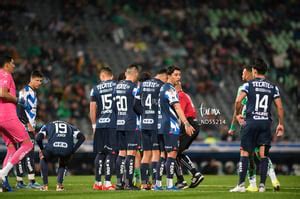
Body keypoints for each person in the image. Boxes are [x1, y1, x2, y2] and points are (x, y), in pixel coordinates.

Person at [230, 58, 284, 192]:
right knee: (263, 154)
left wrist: (237, 114)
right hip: (266, 123)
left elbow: (238, 101)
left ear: (254, 71)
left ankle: (241, 185)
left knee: (244, 152)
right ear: (265, 71)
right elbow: (280, 108)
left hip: (251, 122)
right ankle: (262, 186)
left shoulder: (248, 85)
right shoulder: (273, 87)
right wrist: (281, 124)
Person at [155, 65, 195, 191]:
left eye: (179, 75)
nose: (178, 77)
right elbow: (177, 107)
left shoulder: (161, 89)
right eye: (176, 75)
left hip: (160, 125)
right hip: (170, 126)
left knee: (162, 156)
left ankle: (158, 184)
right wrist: (186, 124)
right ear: (169, 76)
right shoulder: (170, 90)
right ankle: (170, 184)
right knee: (172, 156)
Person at [0, 55, 33, 192]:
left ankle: (3, 184)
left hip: (0, 117)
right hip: (7, 115)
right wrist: (18, 100)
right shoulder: (6, 74)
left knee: (12, 148)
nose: (14, 66)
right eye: (13, 63)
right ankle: (2, 173)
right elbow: (2, 93)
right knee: (28, 144)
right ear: (6, 64)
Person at [36, 120, 85, 191]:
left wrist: (42, 149)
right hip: (66, 149)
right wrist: (73, 151)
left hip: (52, 148)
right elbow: (82, 137)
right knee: (63, 163)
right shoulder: (70, 126)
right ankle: (59, 185)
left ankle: (45, 185)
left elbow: (38, 138)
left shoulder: (48, 125)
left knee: (43, 157)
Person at [139, 69, 167, 190]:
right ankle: (156, 183)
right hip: (155, 124)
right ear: (164, 76)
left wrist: (145, 115)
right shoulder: (161, 86)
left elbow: (135, 104)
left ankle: (144, 183)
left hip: (144, 124)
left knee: (146, 154)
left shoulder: (142, 84)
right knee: (156, 153)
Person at [90, 67, 117, 191]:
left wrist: (94, 125)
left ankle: (97, 182)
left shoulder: (95, 89)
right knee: (111, 154)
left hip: (100, 125)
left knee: (100, 153)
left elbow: (92, 108)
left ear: (102, 77)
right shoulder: (116, 85)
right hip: (112, 124)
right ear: (111, 76)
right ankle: (107, 183)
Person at [15, 70, 44, 189]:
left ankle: (20, 182)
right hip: (24, 127)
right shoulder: (24, 92)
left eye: (41, 81)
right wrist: (28, 124)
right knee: (29, 153)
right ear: (31, 79)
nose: (39, 83)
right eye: (37, 80)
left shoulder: (32, 92)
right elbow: (20, 110)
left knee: (21, 153)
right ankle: (31, 182)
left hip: (26, 126)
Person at [174, 81, 204, 189]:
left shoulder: (180, 96)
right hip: (192, 124)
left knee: (174, 152)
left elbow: (179, 113)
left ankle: (186, 178)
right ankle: (192, 175)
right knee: (176, 152)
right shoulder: (184, 95)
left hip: (188, 124)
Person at [115, 64, 140, 190]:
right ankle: (129, 183)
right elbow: (137, 105)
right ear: (134, 73)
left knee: (121, 153)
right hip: (131, 123)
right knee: (131, 153)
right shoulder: (134, 88)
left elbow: (114, 106)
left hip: (119, 123)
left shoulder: (117, 86)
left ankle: (119, 183)